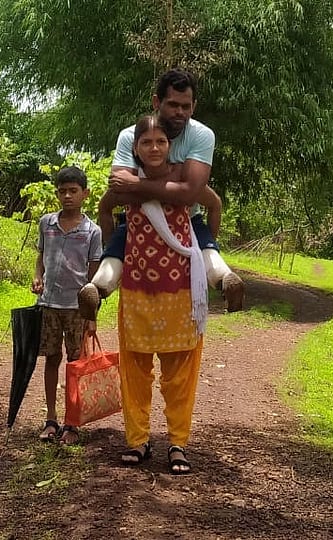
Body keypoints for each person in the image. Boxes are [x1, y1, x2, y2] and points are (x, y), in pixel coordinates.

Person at [77, 70, 243, 323]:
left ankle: (225, 280)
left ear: (194, 106)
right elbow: (120, 189)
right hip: (139, 219)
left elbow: (190, 194)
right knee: (117, 251)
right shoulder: (129, 135)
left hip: (185, 219)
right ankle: (97, 289)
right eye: (173, 105)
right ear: (157, 103)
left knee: (206, 250)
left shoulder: (200, 135)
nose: (180, 112)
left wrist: (137, 182)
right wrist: (175, 179)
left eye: (186, 106)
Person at [107, 111, 208, 475]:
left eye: (161, 141)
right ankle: (138, 441)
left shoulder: (183, 175)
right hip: (136, 287)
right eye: (146, 142)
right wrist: (110, 251)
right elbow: (105, 208)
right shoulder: (124, 181)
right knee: (134, 370)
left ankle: (178, 443)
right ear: (135, 147)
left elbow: (211, 202)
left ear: (171, 145)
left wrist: (207, 246)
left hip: (180, 287)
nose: (154, 147)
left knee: (180, 373)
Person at [32, 166, 102, 445]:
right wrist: (38, 276)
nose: (67, 196)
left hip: (77, 309)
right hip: (49, 303)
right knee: (51, 359)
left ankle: (72, 422)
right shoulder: (46, 224)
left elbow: (94, 277)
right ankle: (51, 418)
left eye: (73, 191)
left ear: (85, 193)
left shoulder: (92, 231)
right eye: (62, 191)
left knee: (76, 364)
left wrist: (92, 314)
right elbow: (40, 257)